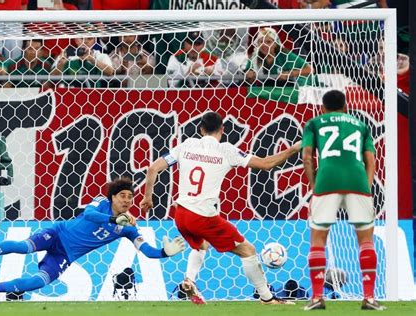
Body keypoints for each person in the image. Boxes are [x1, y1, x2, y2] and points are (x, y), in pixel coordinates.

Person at [140, 111, 301, 305]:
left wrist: (148, 197)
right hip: (202, 217)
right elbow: (267, 164)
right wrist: (296, 147)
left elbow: (152, 169)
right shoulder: (226, 150)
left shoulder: (187, 145)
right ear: (222, 130)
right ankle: (267, 298)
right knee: (248, 251)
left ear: (201, 129)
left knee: (201, 245)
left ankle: (189, 280)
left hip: (181, 214)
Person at [0, 177, 185, 303]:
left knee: (40, 282)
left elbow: (147, 252)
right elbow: (90, 215)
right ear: (112, 197)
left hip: (65, 255)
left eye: (130, 197)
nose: (127, 200)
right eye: (122, 196)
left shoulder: (128, 230)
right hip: (58, 233)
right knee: (23, 247)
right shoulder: (100, 204)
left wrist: (164, 253)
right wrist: (116, 220)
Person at [301, 90, 385, 311]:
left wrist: (313, 185)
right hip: (357, 181)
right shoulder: (360, 125)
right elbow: (371, 160)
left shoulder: (314, 123)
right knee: (365, 240)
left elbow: (307, 157)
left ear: (323, 108)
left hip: (327, 180)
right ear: (346, 107)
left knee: (318, 238)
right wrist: (365, 187)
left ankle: (318, 297)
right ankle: (369, 298)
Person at [245, 27, 312, 86]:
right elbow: (250, 80)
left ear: (275, 44)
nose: (264, 45)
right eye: (261, 41)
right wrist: (249, 76)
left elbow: (310, 69)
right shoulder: (255, 57)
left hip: (295, 88)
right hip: (270, 89)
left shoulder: (285, 55)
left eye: (268, 42)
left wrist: (289, 74)